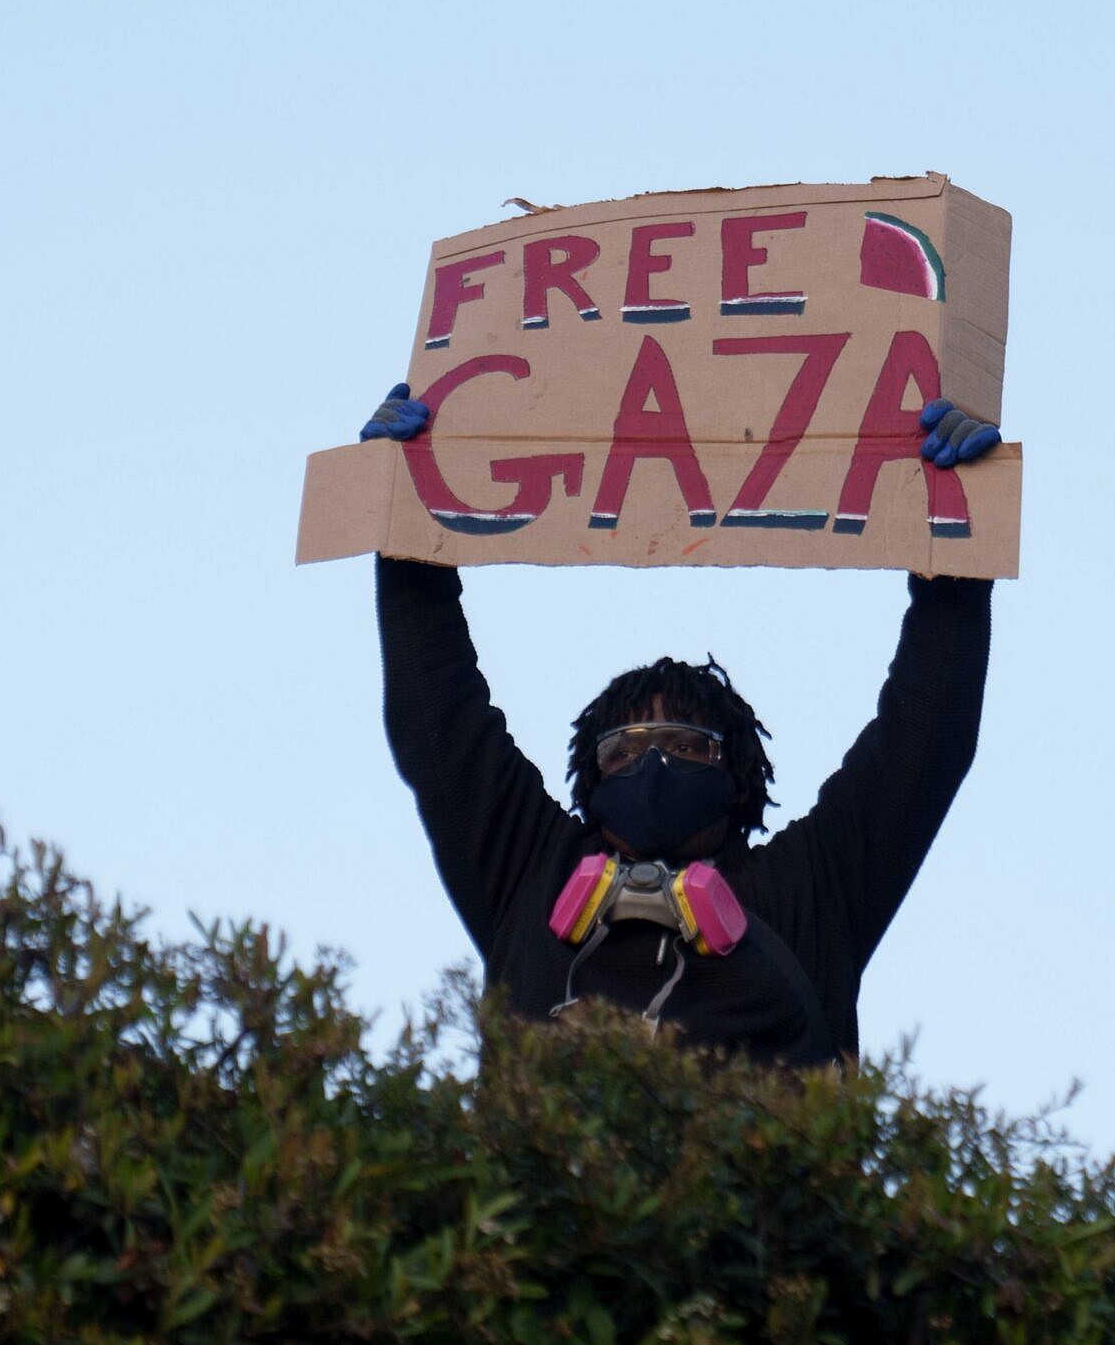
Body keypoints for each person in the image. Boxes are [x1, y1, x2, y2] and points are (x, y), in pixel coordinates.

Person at [366, 383, 1000, 1067]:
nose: (654, 763)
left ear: (735, 780)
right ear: (592, 773)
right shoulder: (526, 868)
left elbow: (925, 738)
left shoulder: (814, 889)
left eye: (686, 744)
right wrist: (407, 532)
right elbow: (436, 710)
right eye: (626, 747)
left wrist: (954, 555)